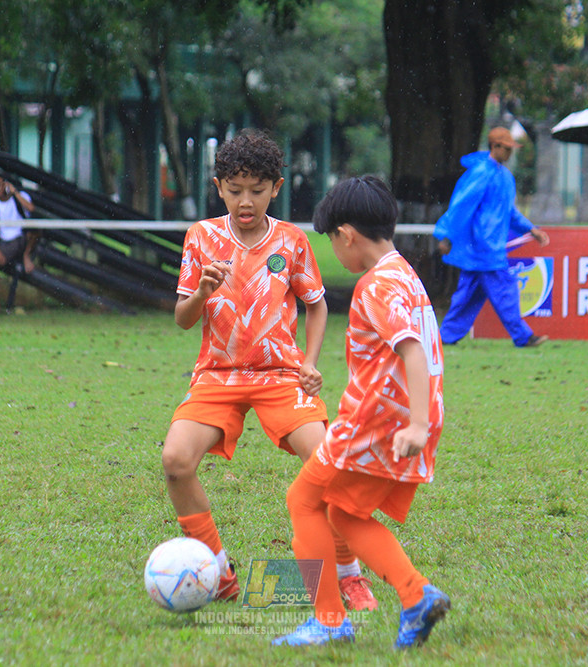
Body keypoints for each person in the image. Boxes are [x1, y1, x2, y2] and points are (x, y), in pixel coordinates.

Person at [160, 129, 376, 610]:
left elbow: (316, 306)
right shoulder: (201, 237)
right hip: (218, 375)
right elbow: (182, 318)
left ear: (275, 188)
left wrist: (310, 362)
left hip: (281, 375)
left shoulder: (292, 241)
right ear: (219, 188)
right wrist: (201, 293)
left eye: (257, 190)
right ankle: (217, 571)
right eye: (235, 190)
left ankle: (347, 574)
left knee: (327, 461)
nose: (245, 201)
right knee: (175, 461)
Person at [272, 176, 449, 649]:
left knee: (303, 501)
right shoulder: (405, 274)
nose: (335, 252)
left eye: (332, 241)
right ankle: (415, 595)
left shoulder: (376, 285)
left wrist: (415, 423)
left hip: (374, 424)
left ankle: (330, 621)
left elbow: (411, 349)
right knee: (344, 514)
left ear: (347, 235)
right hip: (400, 419)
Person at [433, 126, 550, 348]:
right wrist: (446, 236)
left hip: (487, 248)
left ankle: (444, 338)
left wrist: (530, 229)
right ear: (495, 146)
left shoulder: (505, 177)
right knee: (505, 290)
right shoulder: (480, 173)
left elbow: (510, 212)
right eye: (507, 149)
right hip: (484, 247)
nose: (510, 153)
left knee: (467, 296)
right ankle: (523, 336)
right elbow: (461, 205)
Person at [0, 175, 38, 314]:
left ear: (5, 184)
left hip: (23, 238)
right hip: (7, 243)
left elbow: (31, 208)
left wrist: (14, 193)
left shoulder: (20, 197)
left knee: (35, 230)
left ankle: (26, 256)